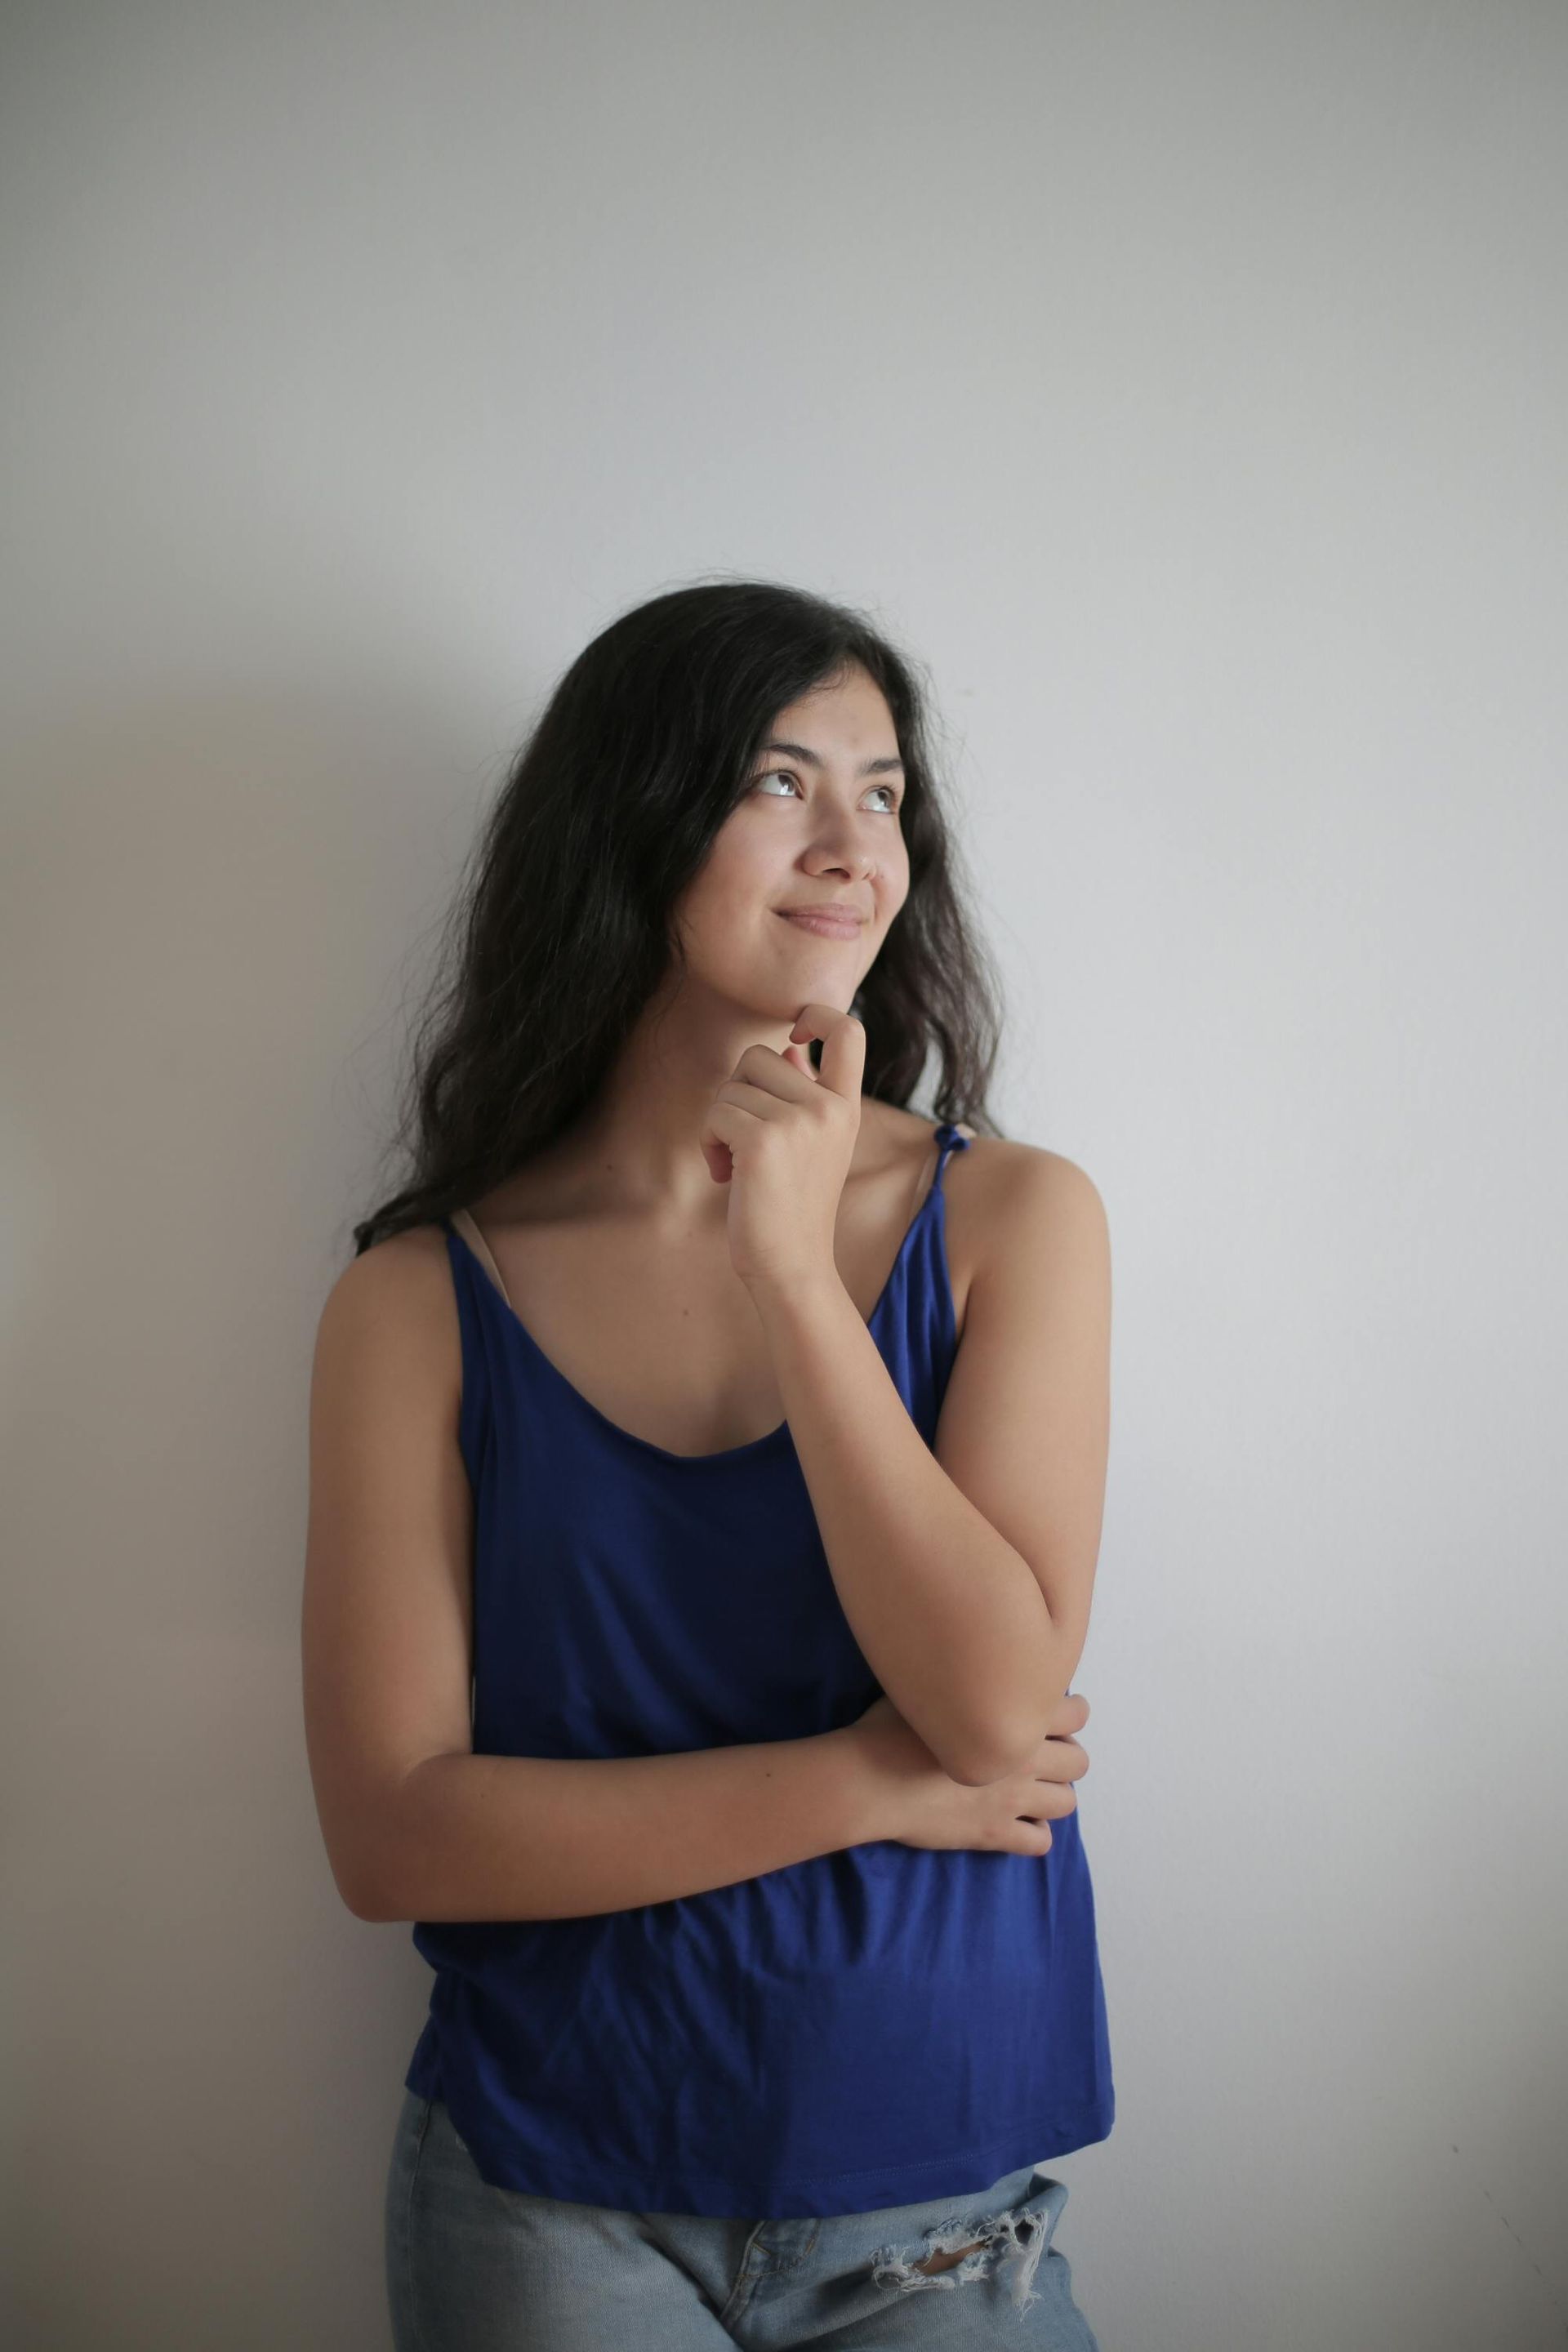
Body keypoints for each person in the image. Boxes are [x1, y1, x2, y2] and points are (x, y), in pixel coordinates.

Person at [302, 579, 1115, 2348]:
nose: (853, 845)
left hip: (941, 2205)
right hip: (546, 2201)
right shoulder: (419, 1302)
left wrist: (791, 1278)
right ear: (636, 821)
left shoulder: (1015, 1223)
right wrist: (868, 1785)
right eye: (779, 782)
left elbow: (994, 1709)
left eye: (884, 792)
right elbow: (396, 1831)